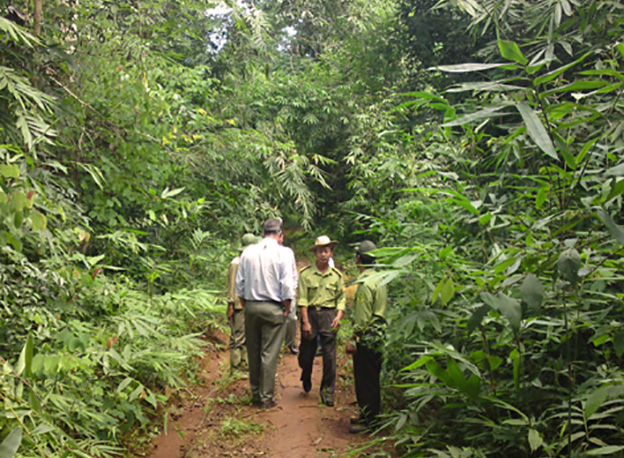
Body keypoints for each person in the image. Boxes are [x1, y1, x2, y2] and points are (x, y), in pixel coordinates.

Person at [235, 218, 297, 409]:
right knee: (269, 353)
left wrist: (247, 306)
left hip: (252, 306)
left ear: (263, 234)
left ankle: (255, 393)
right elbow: (287, 286)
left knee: (253, 351)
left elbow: (240, 285)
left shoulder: (248, 252)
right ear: (280, 235)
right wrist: (287, 308)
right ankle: (265, 396)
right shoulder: (284, 253)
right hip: (273, 307)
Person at [298, 235, 346, 407]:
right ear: (315, 253)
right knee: (306, 353)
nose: (323, 254)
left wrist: (338, 316)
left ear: (331, 253)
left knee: (329, 356)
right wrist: (305, 322)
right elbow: (302, 299)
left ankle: (327, 392)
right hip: (311, 314)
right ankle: (306, 372)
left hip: (328, 316)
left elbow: (341, 298)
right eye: (320, 251)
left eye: (326, 251)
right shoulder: (306, 274)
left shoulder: (337, 276)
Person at [346, 240, 388, 433]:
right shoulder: (381, 279)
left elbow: (361, 319)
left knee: (365, 380)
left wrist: (354, 338)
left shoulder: (364, 284)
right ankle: (368, 415)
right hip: (380, 334)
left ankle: (369, 421)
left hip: (368, 336)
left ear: (358, 259)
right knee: (373, 378)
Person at [226, 233, 259, 371]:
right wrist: (231, 304)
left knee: (246, 335)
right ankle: (235, 366)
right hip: (238, 305)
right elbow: (232, 285)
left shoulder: (247, 262)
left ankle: (244, 363)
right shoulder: (236, 263)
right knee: (237, 336)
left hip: (247, 303)